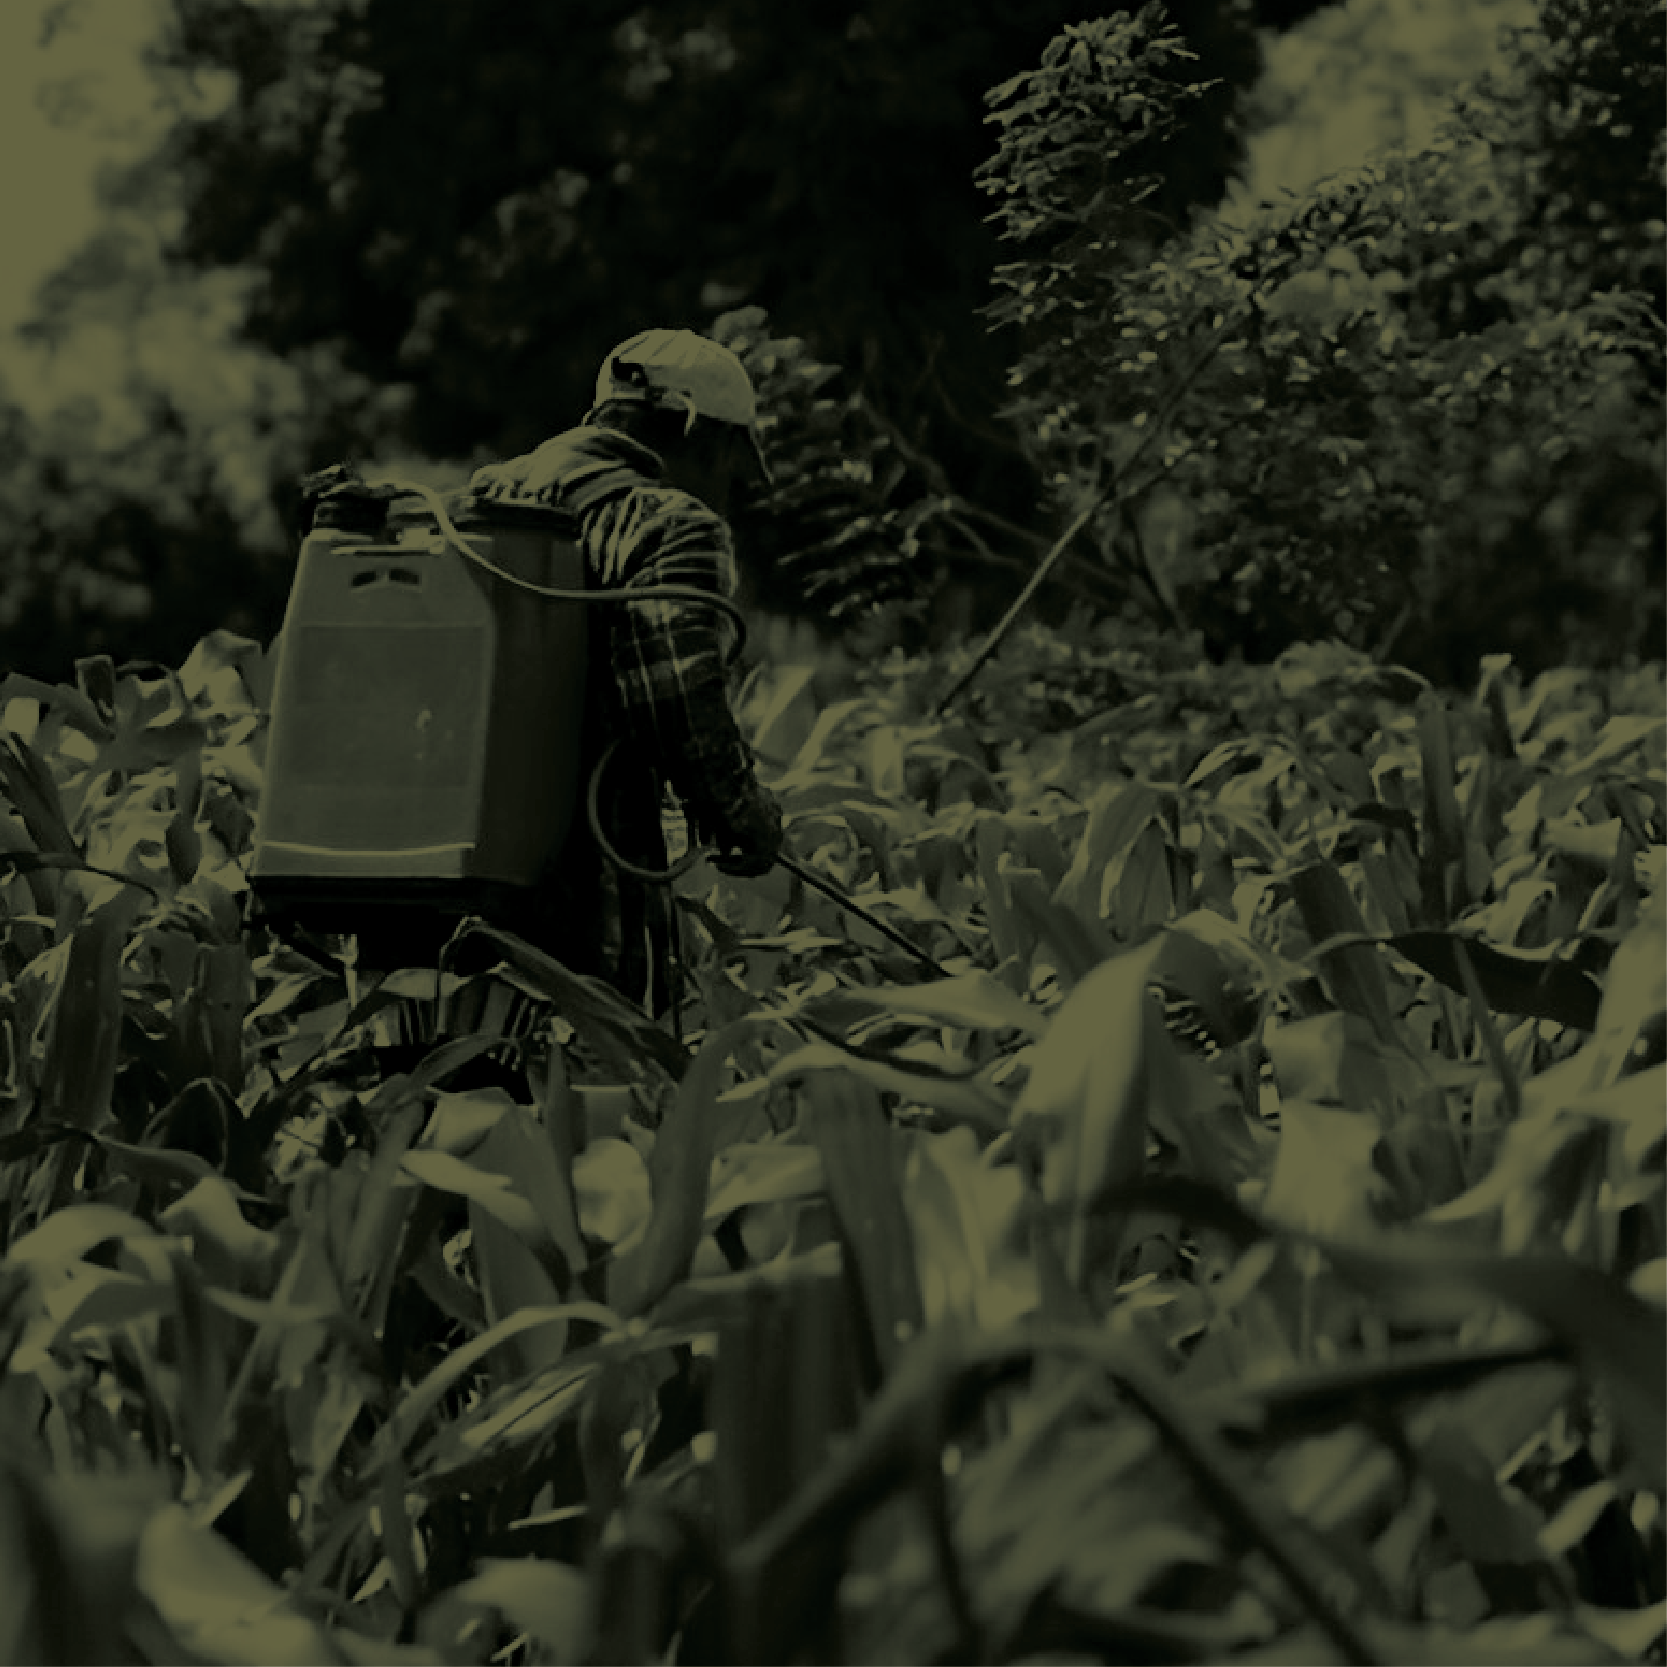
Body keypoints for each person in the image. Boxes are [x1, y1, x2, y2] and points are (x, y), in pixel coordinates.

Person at [469, 328, 783, 1014]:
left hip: (431, 907)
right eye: (729, 469)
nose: (725, 497)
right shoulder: (666, 522)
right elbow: (674, 702)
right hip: (571, 921)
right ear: (701, 436)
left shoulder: (475, 500)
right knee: (599, 1111)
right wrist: (744, 818)